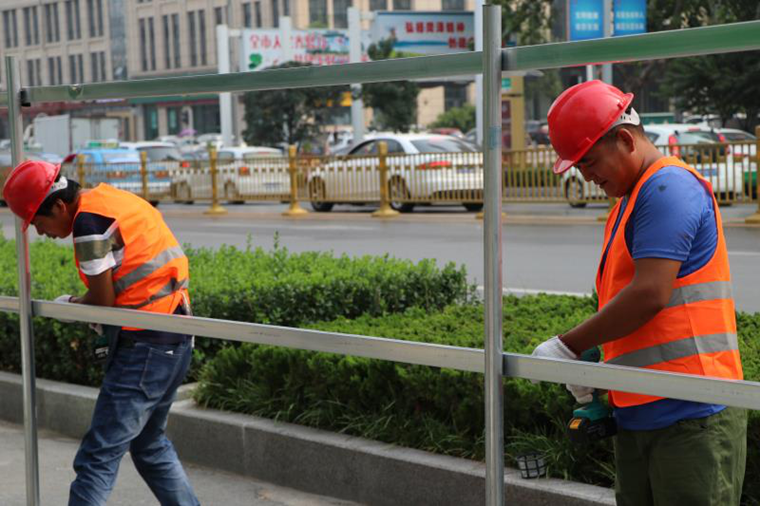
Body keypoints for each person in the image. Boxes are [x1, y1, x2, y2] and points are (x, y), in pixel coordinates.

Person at [532, 80, 746, 506]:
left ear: (625, 140)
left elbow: (650, 294)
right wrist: (597, 356)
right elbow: (627, 307)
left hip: (692, 415)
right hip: (641, 412)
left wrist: (570, 346)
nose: (586, 176)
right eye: (577, 167)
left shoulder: (668, 189)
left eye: (589, 161)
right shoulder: (630, 201)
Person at [3, 160, 200, 506]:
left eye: (38, 222)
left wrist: (73, 305)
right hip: (175, 333)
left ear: (60, 206)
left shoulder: (88, 223)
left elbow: (104, 300)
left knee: (97, 458)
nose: (40, 233)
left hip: (145, 344)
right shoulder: (108, 198)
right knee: (149, 445)